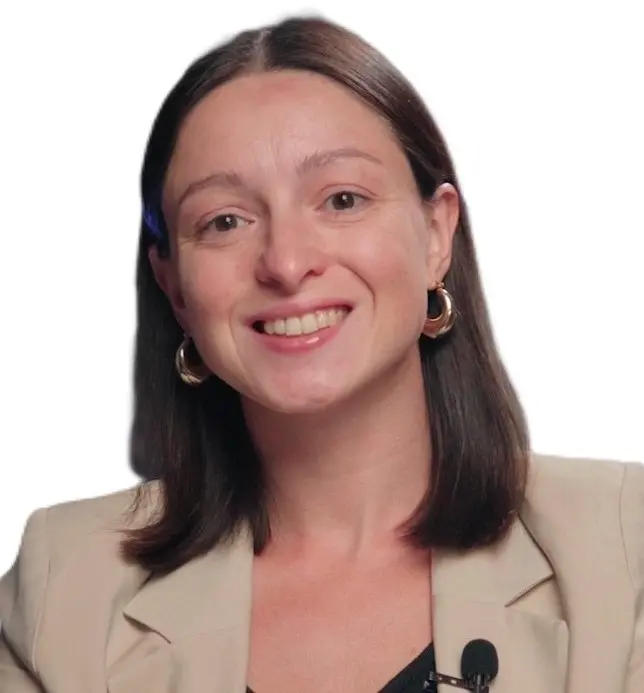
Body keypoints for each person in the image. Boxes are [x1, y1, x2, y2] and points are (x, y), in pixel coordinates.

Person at [0, 14, 642, 693]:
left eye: (341, 199)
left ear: (435, 235)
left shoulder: (623, 551)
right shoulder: (66, 590)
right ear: (175, 288)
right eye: (225, 221)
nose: (285, 262)